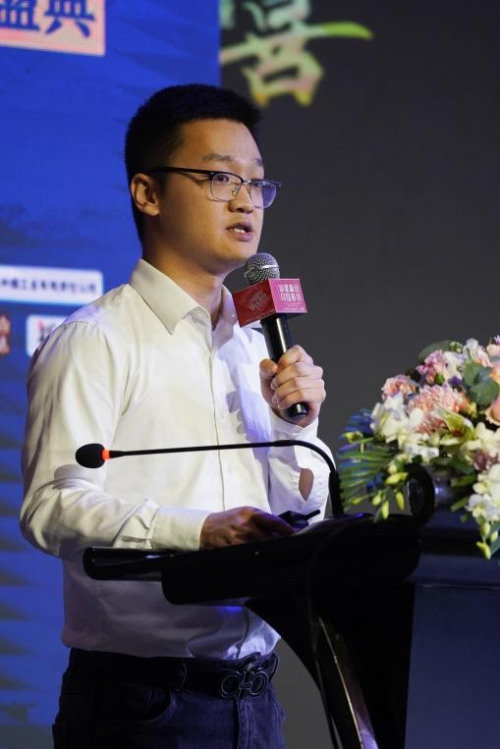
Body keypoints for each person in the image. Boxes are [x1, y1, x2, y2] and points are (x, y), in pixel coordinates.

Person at [20, 83, 331, 748]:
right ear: (148, 193)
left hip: (256, 701)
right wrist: (198, 532)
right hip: (141, 706)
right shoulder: (95, 339)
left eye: (257, 183)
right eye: (220, 178)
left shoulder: (257, 347)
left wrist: (297, 427)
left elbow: (299, 512)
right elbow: (51, 507)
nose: (246, 200)